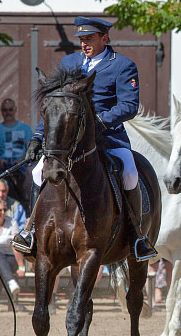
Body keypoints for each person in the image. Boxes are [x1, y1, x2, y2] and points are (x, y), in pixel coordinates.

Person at [13, 16, 157, 261]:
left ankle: (136, 236)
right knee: (38, 172)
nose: (84, 44)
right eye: (81, 39)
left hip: (108, 137)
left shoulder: (122, 65)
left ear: (105, 38)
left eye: (89, 39)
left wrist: (98, 122)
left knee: (131, 172)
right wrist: (38, 136)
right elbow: (55, 105)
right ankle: (32, 231)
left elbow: (129, 106)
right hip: (69, 141)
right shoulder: (70, 62)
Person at [0, 98, 34, 197]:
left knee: (31, 170)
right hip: (1, 160)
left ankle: (27, 200)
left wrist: (20, 160)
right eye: (5, 110)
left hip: (21, 160)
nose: (8, 112)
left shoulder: (26, 128)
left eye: (10, 109)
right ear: (1, 111)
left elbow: (30, 149)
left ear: (15, 110)